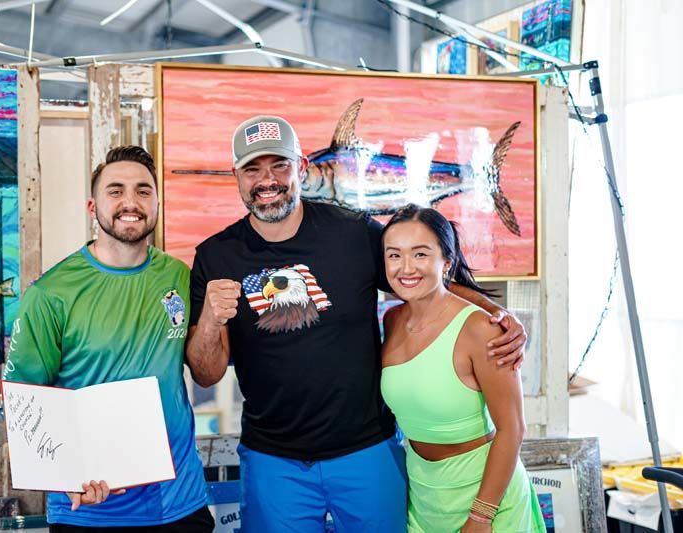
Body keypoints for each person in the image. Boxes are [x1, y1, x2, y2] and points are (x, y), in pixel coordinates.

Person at [186, 115, 527, 532]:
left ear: (302, 168)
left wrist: (498, 316)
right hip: (274, 459)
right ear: (236, 176)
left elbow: (425, 282)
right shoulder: (216, 257)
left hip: (368, 451)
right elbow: (206, 374)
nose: (267, 179)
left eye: (279, 165)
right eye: (252, 168)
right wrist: (207, 321)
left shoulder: (352, 233)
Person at [3, 146, 214, 532]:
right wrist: (66, 475)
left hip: (181, 503)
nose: (130, 202)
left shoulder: (179, 277)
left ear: (157, 202)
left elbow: (203, 366)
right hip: (91, 511)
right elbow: (23, 401)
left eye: (143, 191)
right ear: (92, 206)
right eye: (115, 191)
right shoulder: (51, 293)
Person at [380, 204, 545, 533]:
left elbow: (512, 428)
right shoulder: (392, 320)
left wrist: (482, 516)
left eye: (421, 254)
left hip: (486, 496)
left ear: (447, 263)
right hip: (424, 494)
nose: (406, 267)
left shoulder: (481, 329)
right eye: (394, 255)